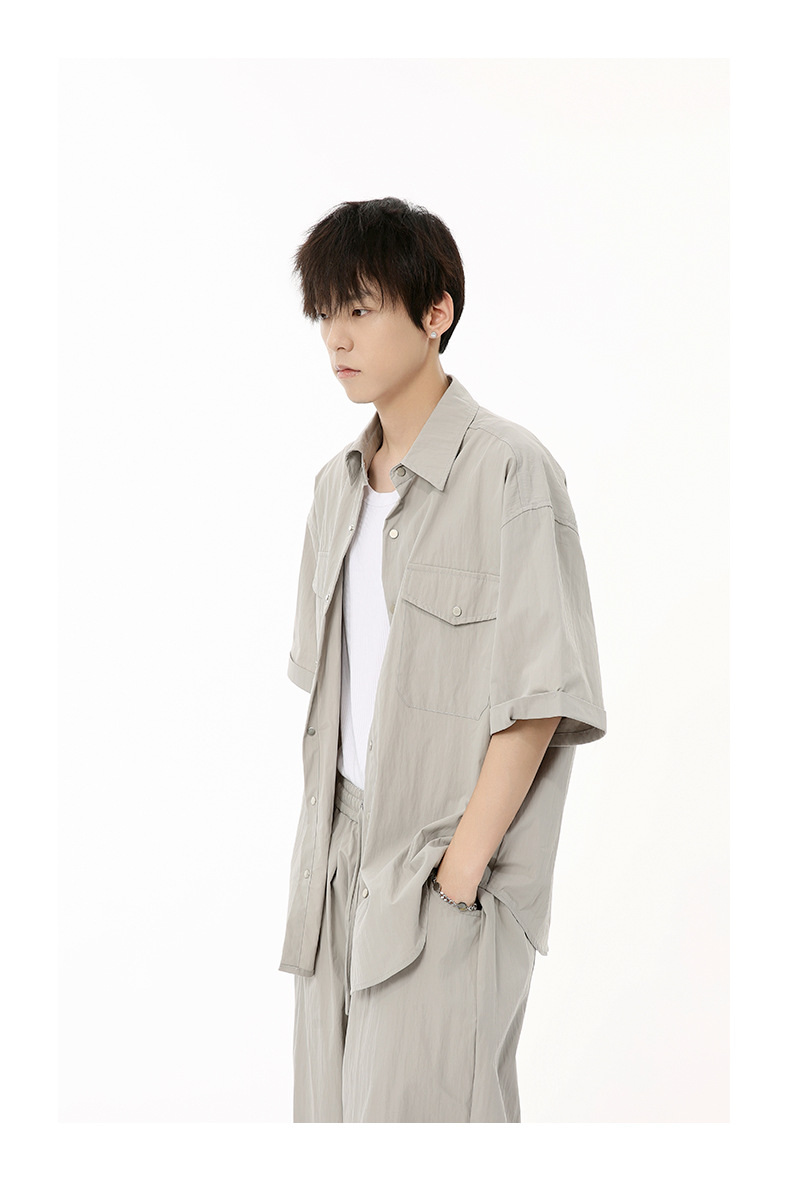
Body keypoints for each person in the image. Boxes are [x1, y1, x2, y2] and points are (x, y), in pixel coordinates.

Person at [278, 196, 607, 1123]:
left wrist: (460, 874)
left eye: (360, 308)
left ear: (437, 313)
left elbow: (539, 699)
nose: (337, 337)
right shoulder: (335, 490)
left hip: (440, 869)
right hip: (334, 864)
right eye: (326, 313)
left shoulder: (510, 471)